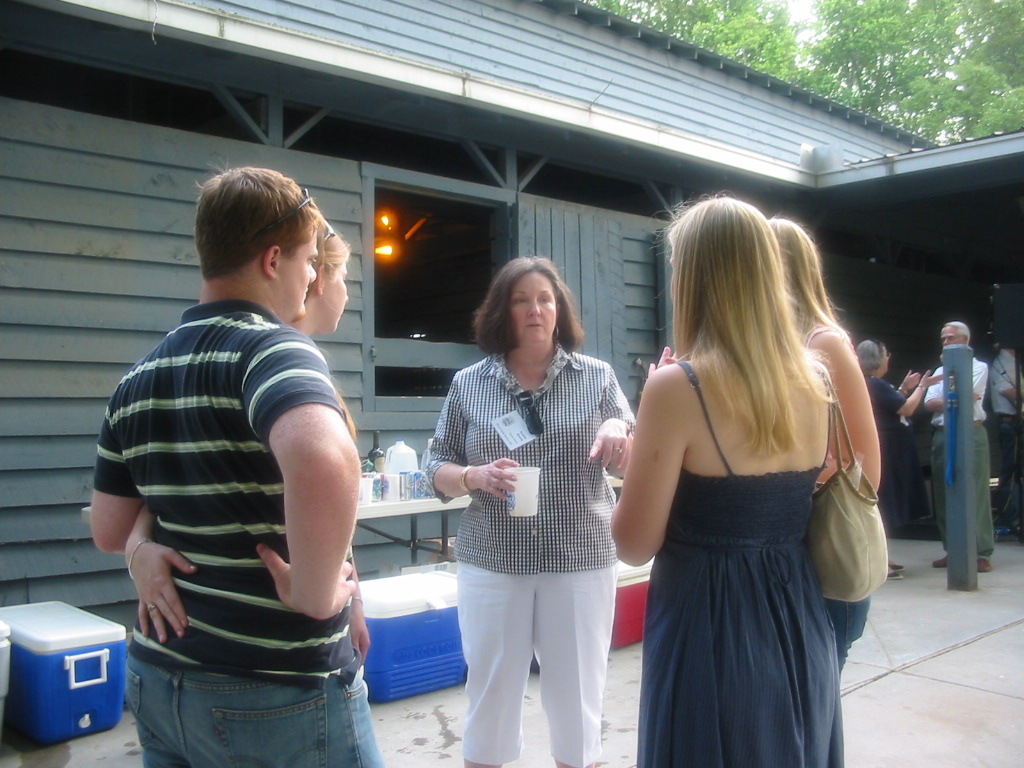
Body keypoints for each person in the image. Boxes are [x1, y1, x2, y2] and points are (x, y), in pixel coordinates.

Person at [90, 168, 384, 767]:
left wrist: (139, 549)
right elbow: (325, 459)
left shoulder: (139, 377)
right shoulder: (273, 350)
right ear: (273, 260)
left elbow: (109, 530)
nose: (313, 278)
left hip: (160, 679)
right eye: (309, 262)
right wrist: (315, 591)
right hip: (274, 688)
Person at [613, 197, 841, 767]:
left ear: (694, 279)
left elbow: (633, 543)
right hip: (799, 617)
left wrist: (638, 459)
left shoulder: (676, 388)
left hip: (709, 626)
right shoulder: (816, 381)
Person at [426, 256, 634, 768]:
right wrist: (473, 476)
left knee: (578, 700)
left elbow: (631, 450)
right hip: (494, 561)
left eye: (545, 299)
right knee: (491, 698)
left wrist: (619, 430)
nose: (535, 309)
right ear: (503, 311)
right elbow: (435, 465)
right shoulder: (469, 383)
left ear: (559, 309)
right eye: (522, 300)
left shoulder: (597, 377)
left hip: (579, 558)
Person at [772, 216, 881, 672]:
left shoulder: (824, 342)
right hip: (787, 558)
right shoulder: (774, 344)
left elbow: (866, 468)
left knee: (817, 687)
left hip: (826, 555)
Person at [855, 339, 937, 577]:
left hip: (888, 451)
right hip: (887, 452)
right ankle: (880, 561)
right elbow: (906, 409)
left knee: (884, 506)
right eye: (886, 354)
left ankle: (884, 558)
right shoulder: (874, 383)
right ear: (878, 359)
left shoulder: (873, 384)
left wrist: (904, 389)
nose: (888, 358)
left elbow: (891, 404)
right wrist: (922, 387)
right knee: (884, 506)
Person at [924, 321, 994, 572]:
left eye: (950, 338)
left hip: (971, 431)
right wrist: (955, 397)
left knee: (976, 490)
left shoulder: (979, 367)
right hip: (943, 433)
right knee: (944, 491)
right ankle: (952, 549)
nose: (945, 343)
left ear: (965, 340)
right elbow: (930, 403)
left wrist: (953, 396)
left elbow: (968, 395)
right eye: (943, 339)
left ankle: (981, 551)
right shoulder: (939, 370)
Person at [989, 345, 1021, 531]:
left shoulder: (1012, 362)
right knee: (1011, 470)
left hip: (1015, 421)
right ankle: (1010, 515)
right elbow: (1006, 389)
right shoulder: (1002, 362)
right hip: (1009, 421)